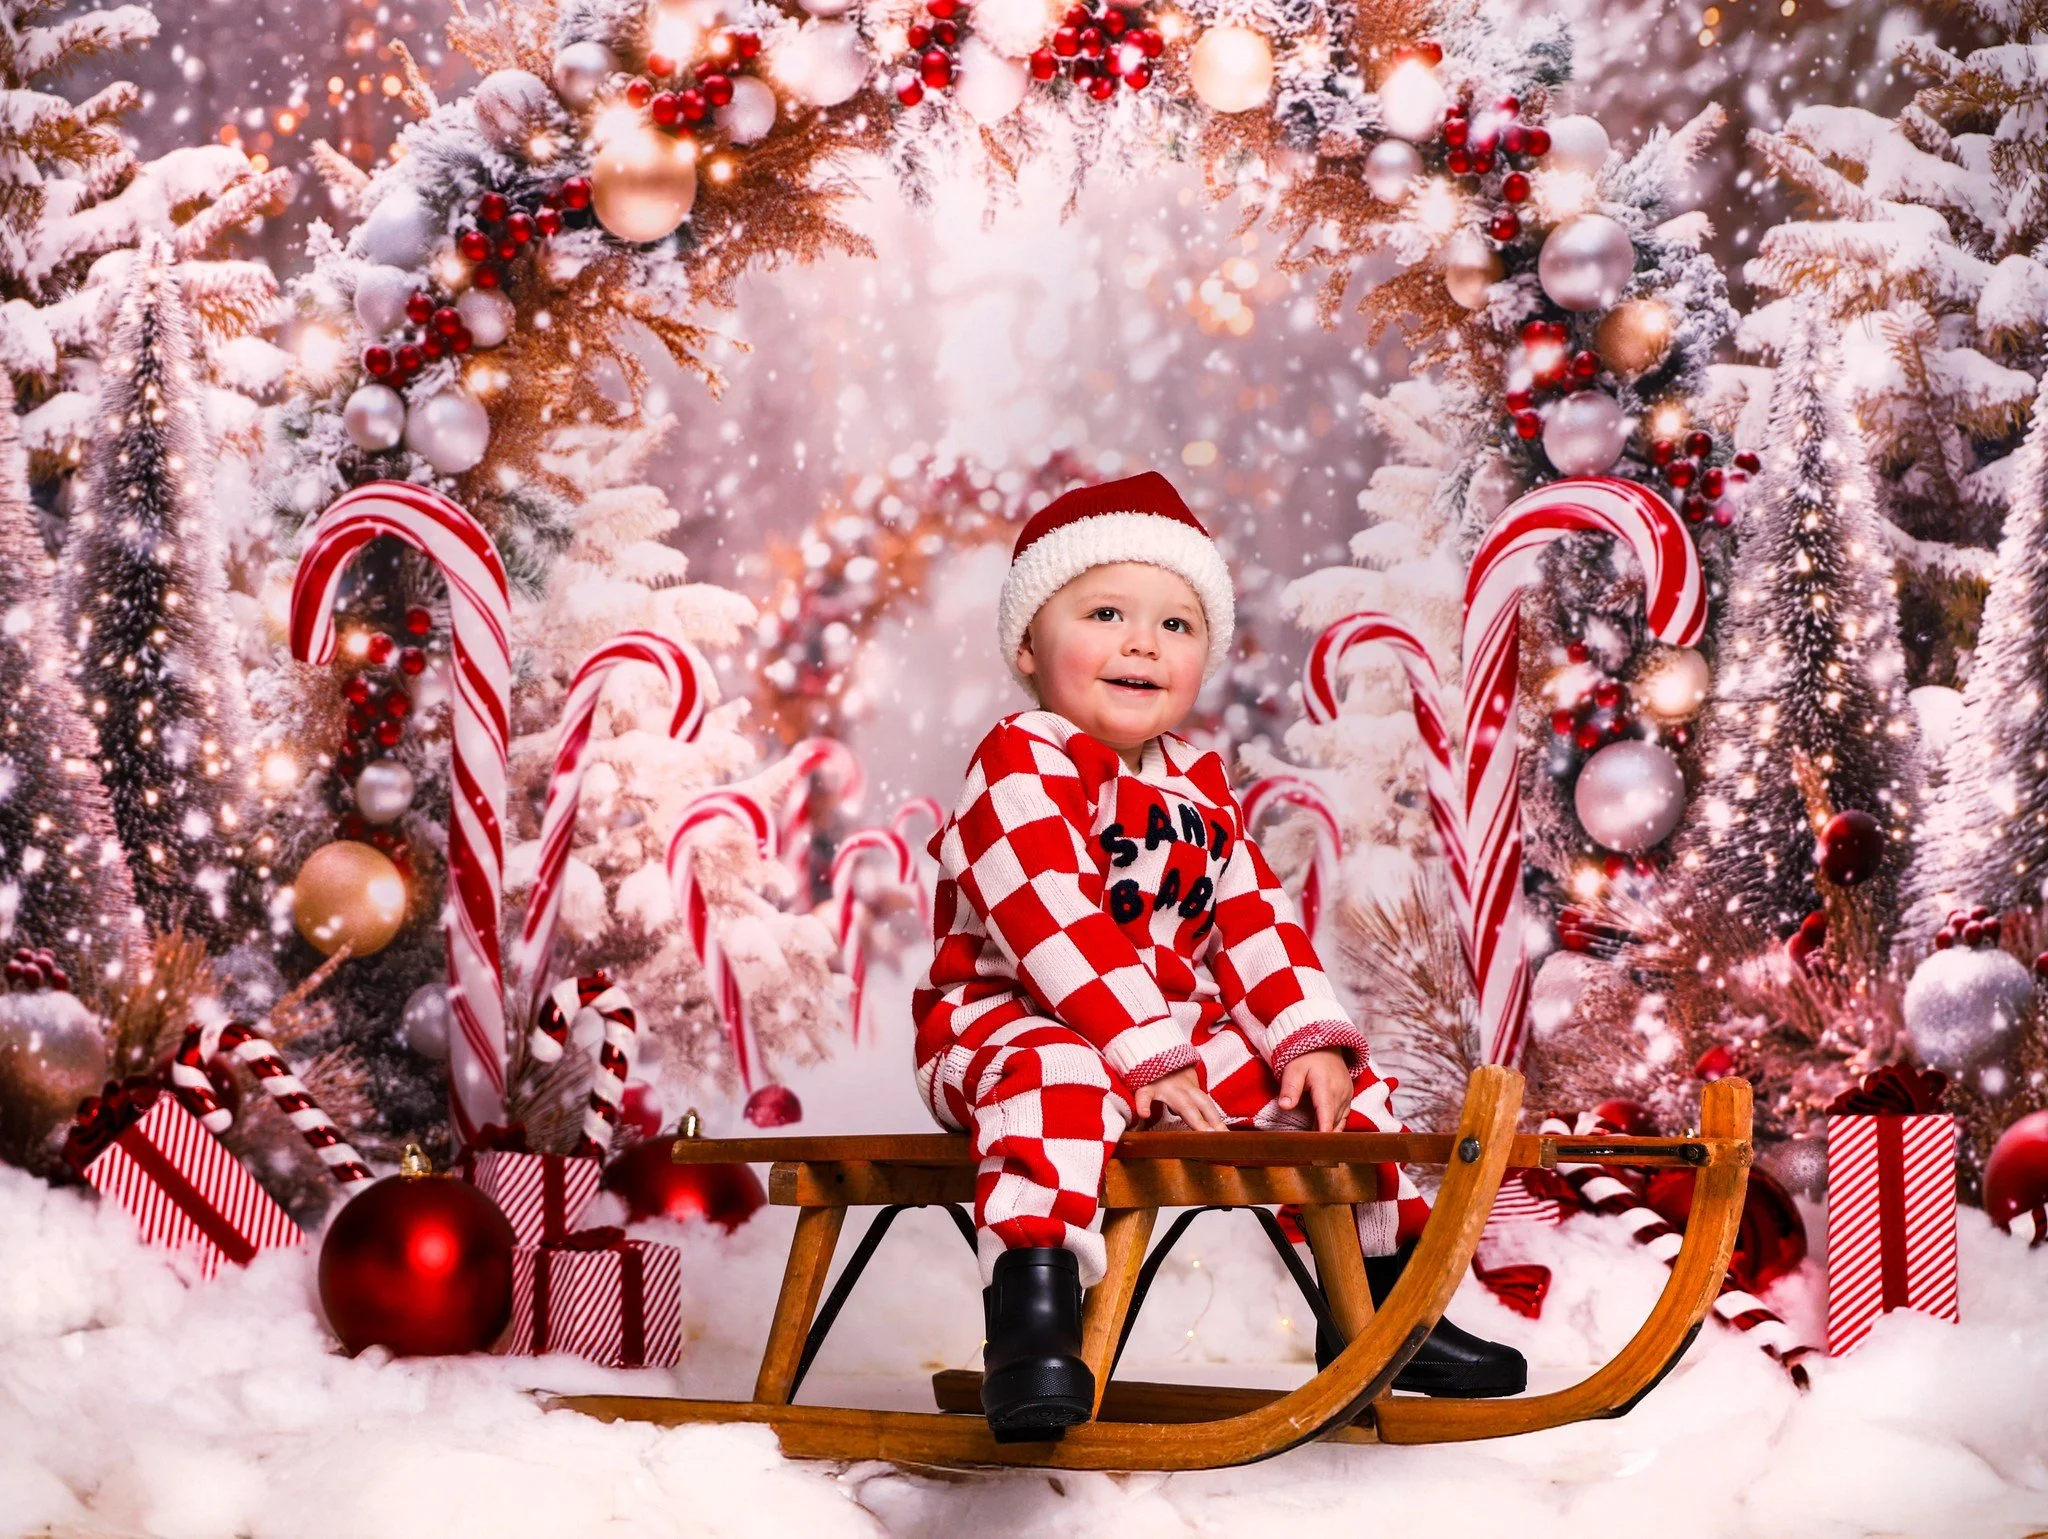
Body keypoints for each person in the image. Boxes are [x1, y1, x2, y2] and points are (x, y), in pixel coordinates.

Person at [911, 470, 1524, 1442]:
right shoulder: (1020, 760)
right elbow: (1050, 923)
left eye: (1176, 624)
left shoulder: (1198, 789)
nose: (1142, 643)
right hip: (999, 1030)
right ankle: (1031, 1324)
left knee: (1329, 1093)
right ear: (1027, 645)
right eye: (1105, 613)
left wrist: (1305, 1040)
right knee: (1060, 1069)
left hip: (1165, 1051)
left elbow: (1254, 925)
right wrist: (1145, 1053)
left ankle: (1379, 1303)